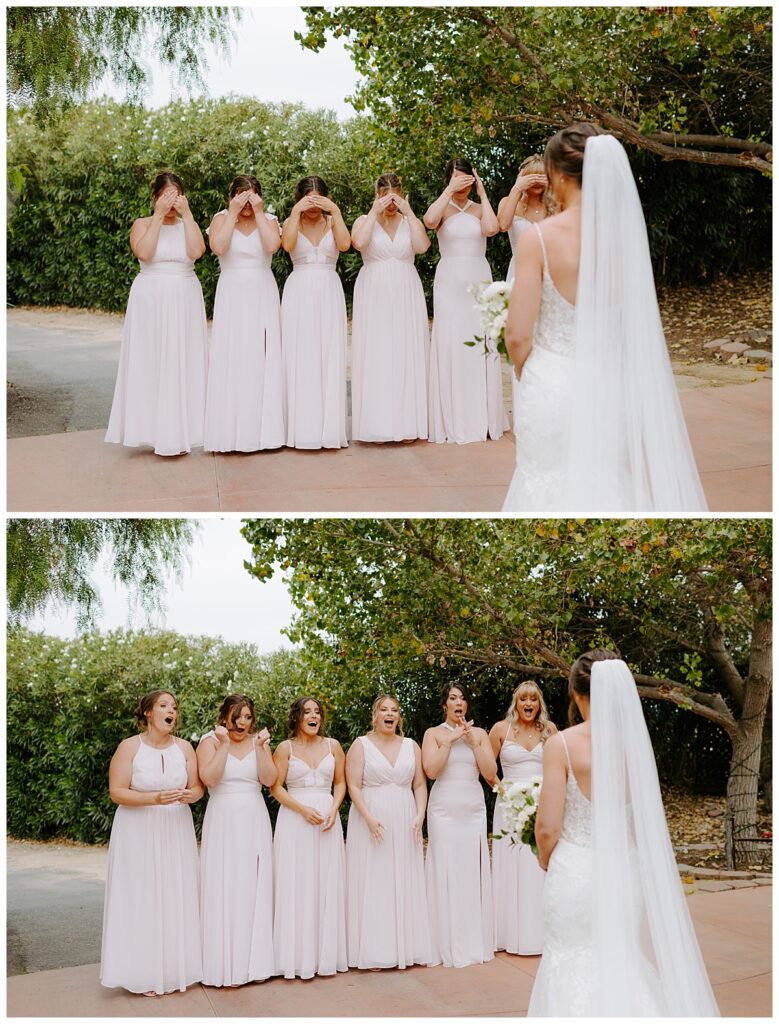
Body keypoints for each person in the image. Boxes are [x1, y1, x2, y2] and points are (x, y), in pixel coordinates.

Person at [504, 125, 707, 513]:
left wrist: (524, 369)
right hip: (611, 383)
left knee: (546, 485)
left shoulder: (539, 238)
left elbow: (517, 336)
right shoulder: (623, 239)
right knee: (610, 481)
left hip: (553, 387)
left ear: (560, 175)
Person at [528, 651, 720, 1016]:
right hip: (623, 874)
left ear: (577, 693)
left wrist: (546, 859)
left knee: (569, 964)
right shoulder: (637, 747)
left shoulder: (562, 744)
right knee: (623, 962)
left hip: (576, 874)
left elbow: (547, 828)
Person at [100, 690, 203, 995]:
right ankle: (141, 973)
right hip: (137, 830)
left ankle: (174, 970)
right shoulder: (129, 747)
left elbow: (197, 788)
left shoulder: (185, 748)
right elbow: (117, 792)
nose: (171, 710)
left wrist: (190, 795)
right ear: (148, 713)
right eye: (163, 705)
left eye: (174, 706)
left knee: (174, 893)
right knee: (142, 895)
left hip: (175, 828)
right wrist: (153, 798)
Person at [105, 171, 208, 456]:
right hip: (150, 296)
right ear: (155, 197)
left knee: (183, 357)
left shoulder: (189, 222)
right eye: (166, 196)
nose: (172, 202)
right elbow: (144, 252)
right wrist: (159, 217)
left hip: (185, 293)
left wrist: (187, 216)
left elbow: (197, 250)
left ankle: (186, 428)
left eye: (177, 196)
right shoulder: (142, 224)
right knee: (151, 358)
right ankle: (149, 429)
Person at [424, 158, 509, 445]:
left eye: (466, 179)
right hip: (449, 282)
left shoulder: (477, 208)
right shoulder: (442, 208)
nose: (462, 184)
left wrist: (483, 194)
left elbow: (491, 228)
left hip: (478, 279)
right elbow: (429, 221)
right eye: (457, 178)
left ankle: (483, 417)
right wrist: (448, 191)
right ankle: (452, 416)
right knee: (451, 341)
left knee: (481, 341)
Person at [345, 694, 431, 969]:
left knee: (402, 877)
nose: (389, 714)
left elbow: (419, 785)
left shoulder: (411, 746)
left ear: (399, 716)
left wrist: (420, 815)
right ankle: (374, 951)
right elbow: (353, 786)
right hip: (372, 819)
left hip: (405, 819)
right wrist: (368, 818)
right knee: (375, 880)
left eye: (394, 709)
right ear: (375, 715)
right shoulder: (360, 745)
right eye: (384, 709)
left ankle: (405, 947)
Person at [197, 694, 277, 987]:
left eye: (247, 717)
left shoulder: (258, 742)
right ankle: (223, 962)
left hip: (254, 817)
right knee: (224, 883)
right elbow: (210, 779)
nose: (242, 723)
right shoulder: (210, 741)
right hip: (223, 818)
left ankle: (254, 963)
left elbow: (269, 780)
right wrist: (226, 745)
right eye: (237, 716)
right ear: (224, 717)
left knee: (253, 884)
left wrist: (261, 748)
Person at [204, 175, 284, 452]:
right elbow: (218, 247)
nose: (247, 201)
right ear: (232, 196)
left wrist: (259, 212)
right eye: (241, 195)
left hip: (262, 290)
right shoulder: (221, 218)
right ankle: (232, 432)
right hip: (232, 292)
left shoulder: (269, 218)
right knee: (233, 354)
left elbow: (273, 246)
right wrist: (233, 212)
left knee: (262, 355)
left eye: (252, 195)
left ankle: (265, 432)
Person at [271, 696, 348, 979]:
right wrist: (302, 809)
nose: (313, 716)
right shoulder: (285, 748)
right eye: (307, 712)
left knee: (325, 882)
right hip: (295, 820)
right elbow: (275, 787)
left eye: (317, 712)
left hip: (327, 819)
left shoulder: (334, 746)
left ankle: (325, 955)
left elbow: (340, 782)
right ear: (297, 717)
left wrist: (334, 808)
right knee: (298, 883)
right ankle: (295, 957)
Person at [422, 682, 497, 967]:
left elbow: (490, 774)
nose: (458, 703)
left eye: (462, 698)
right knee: (446, 869)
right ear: (445, 704)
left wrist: (473, 741)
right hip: (443, 809)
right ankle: (444, 942)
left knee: (470, 870)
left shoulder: (479, 733)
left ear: (467, 705)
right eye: (452, 698)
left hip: (473, 809)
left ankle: (473, 941)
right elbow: (431, 771)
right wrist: (451, 739)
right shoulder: (433, 734)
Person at [351, 174, 430, 443]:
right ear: (377, 195)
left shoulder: (410, 221)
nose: (391, 201)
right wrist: (374, 211)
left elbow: (422, 247)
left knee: (406, 351)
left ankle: (407, 424)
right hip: (374, 293)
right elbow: (358, 243)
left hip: (406, 291)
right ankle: (378, 425)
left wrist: (409, 213)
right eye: (385, 195)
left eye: (395, 195)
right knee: (378, 352)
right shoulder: (364, 221)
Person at [280, 176, 350, 449]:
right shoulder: (291, 222)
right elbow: (286, 245)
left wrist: (336, 211)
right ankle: (302, 430)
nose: (313, 204)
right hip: (299, 292)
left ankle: (329, 429)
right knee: (302, 355)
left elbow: (345, 245)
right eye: (308, 198)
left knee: (328, 354)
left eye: (318, 198)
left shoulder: (333, 221)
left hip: (329, 290)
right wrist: (296, 212)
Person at [489, 681, 556, 956]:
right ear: (515, 703)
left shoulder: (549, 731)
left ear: (539, 704)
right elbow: (487, 767)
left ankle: (540, 934)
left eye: (533, 700)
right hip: (508, 805)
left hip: (542, 804)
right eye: (523, 700)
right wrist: (505, 791)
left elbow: (558, 769)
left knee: (537, 867)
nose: (528, 705)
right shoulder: (499, 730)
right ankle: (508, 933)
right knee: (510, 865)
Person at [496, 155, 551, 283]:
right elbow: (503, 226)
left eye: (541, 176)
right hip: (519, 269)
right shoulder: (507, 202)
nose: (536, 181)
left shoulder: (554, 204)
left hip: (550, 269)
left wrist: (554, 187)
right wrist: (517, 188)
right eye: (532, 177)